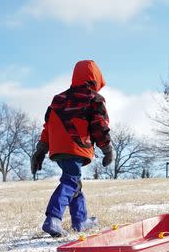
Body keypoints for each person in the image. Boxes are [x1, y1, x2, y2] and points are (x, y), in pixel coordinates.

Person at [30, 60, 113, 238]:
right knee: (70, 181)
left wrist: (40, 150)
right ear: (96, 78)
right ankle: (53, 218)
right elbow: (100, 125)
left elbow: (48, 126)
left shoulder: (58, 99)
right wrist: (107, 149)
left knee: (75, 183)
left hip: (58, 148)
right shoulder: (94, 98)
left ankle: (80, 220)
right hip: (75, 145)